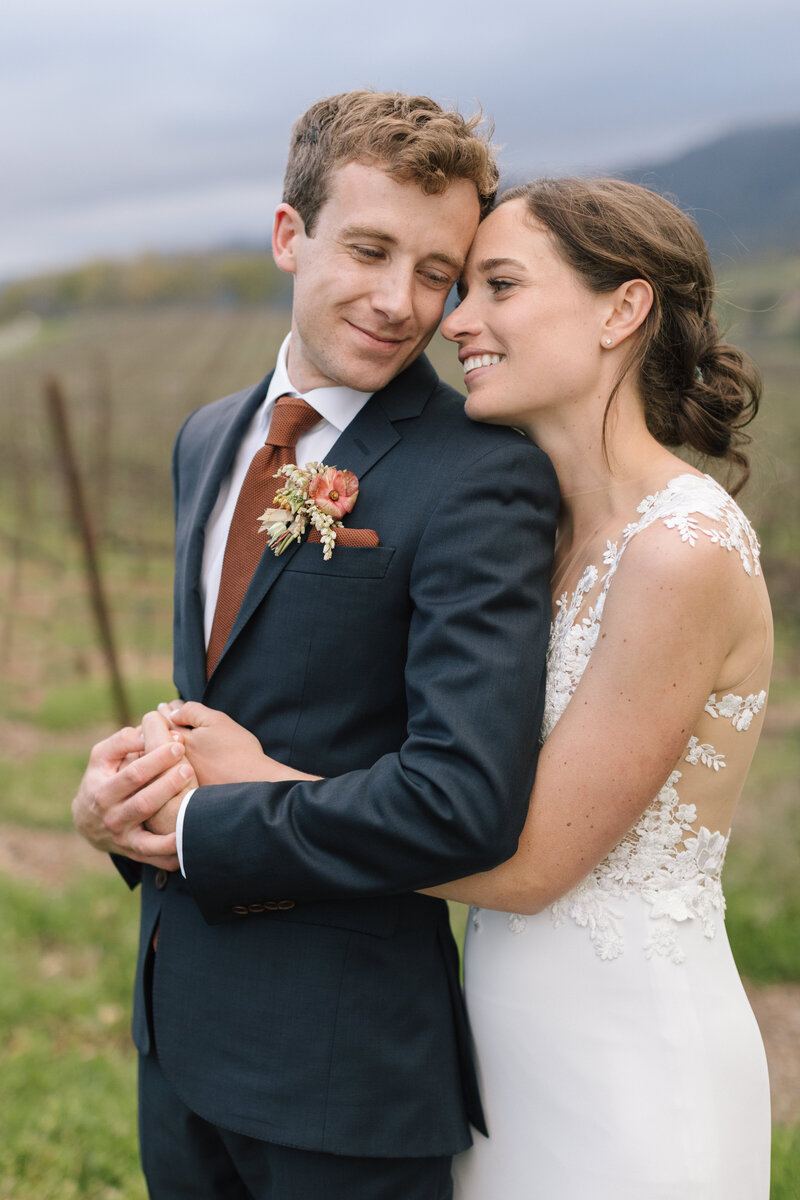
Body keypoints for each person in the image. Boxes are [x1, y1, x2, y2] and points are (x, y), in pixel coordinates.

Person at [71, 92, 559, 1199]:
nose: (401, 303)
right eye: (371, 249)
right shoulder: (208, 436)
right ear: (290, 236)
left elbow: (460, 803)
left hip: (341, 1076)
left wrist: (201, 825)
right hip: (177, 1037)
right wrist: (124, 814)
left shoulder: (480, 477)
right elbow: (236, 698)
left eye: (437, 272)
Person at [423, 177, 771, 1198]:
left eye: (497, 285)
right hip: (501, 1056)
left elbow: (532, 868)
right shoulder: (531, 540)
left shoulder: (680, 552)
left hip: (627, 1076)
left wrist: (265, 802)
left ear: (620, 310)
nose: (457, 320)